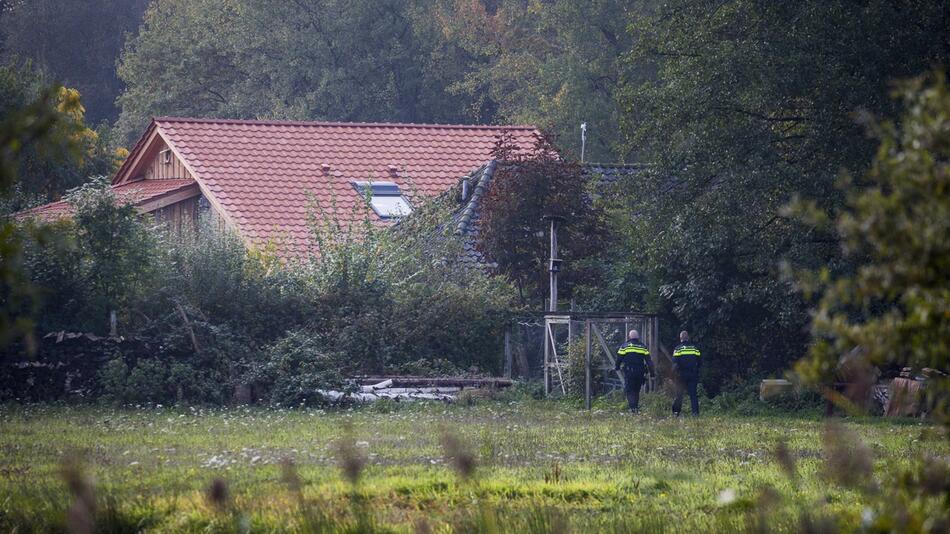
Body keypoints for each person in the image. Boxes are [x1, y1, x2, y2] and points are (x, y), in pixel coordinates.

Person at [615, 329, 655, 413]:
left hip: (629, 372)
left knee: (629, 390)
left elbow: (619, 359)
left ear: (629, 337)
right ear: (638, 337)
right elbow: (649, 362)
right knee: (636, 390)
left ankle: (633, 409)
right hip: (640, 372)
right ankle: (635, 408)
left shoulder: (624, 346)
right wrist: (652, 373)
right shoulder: (643, 347)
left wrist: (617, 367)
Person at [672, 330, 701, 416]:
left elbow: (674, 363)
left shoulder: (678, 349)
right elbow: (700, 361)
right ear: (688, 338)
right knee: (693, 395)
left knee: (679, 394)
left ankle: (676, 413)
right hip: (692, 374)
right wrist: (696, 369)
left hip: (681, 375)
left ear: (680, 338)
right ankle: (695, 413)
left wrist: (673, 374)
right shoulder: (694, 348)